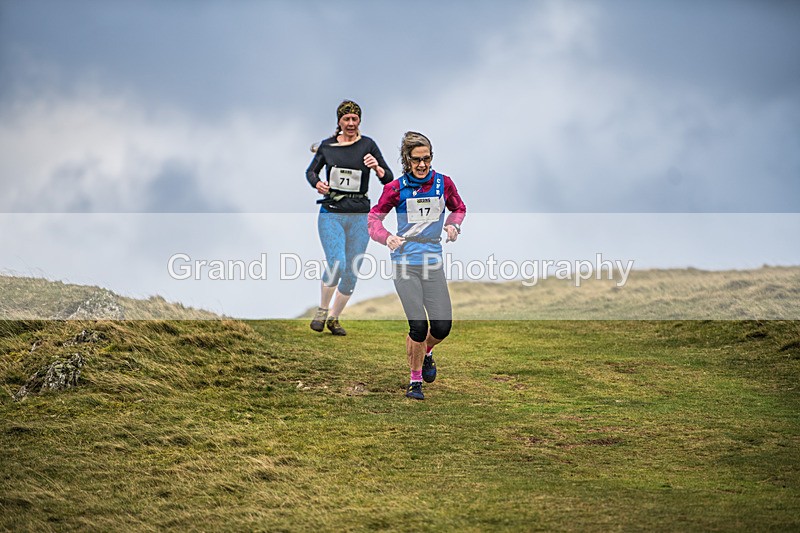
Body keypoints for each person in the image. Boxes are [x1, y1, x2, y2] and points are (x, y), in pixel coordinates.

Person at [368, 131, 466, 400]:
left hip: (432, 262)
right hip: (404, 263)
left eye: (427, 159)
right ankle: (415, 382)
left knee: (442, 327)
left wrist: (453, 225)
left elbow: (459, 208)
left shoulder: (443, 184)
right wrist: (386, 237)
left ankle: (427, 353)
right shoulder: (396, 188)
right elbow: (373, 219)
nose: (422, 165)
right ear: (406, 160)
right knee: (418, 327)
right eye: (416, 160)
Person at [305, 100, 393, 335]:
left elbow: (388, 179)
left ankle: (334, 319)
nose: (351, 123)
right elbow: (310, 171)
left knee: (352, 271)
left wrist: (377, 167)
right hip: (331, 214)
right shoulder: (327, 146)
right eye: (347, 119)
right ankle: (322, 311)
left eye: (355, 119)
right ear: (339, 122)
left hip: (359, 216)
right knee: (337, 263)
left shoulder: (368, 145)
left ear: (360, 121)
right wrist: (318, 184)